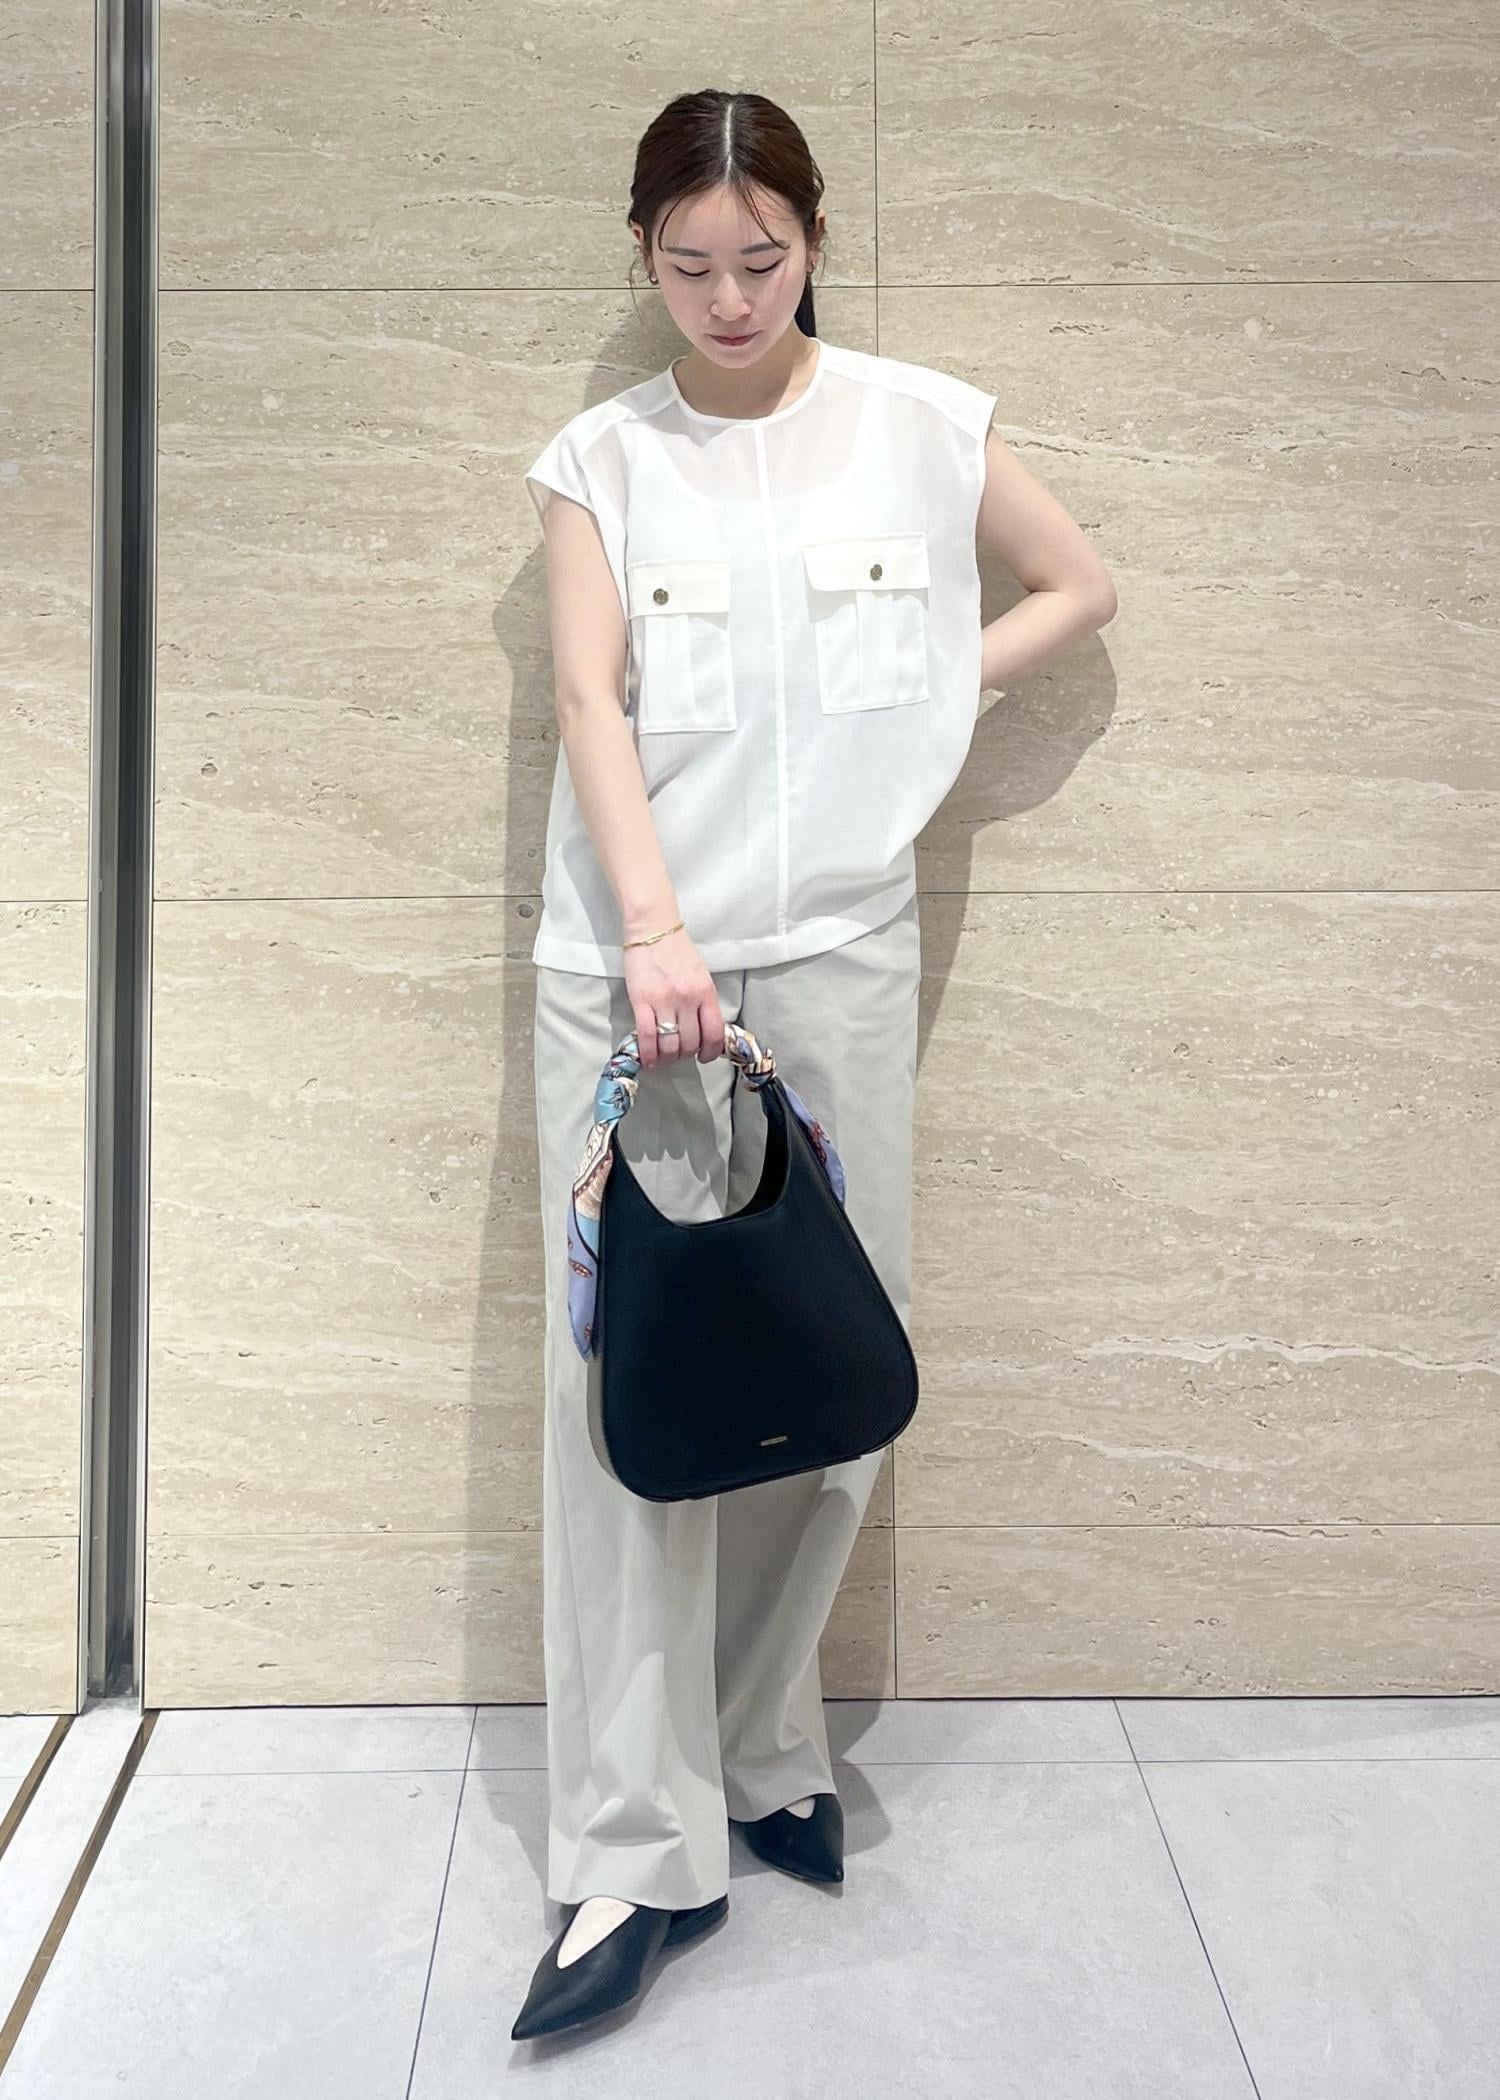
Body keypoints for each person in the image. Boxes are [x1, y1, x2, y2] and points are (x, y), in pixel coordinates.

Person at [511, 88, 1118, 2043]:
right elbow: (590, 692)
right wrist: (656, 936)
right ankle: (631, 1848)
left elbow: (1078, 587)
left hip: (842, 956)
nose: (725, 297)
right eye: (687, 264)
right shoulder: (604, 458)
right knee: (629, 1394)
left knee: (833, 1368)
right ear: (643, 256)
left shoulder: (924, 426)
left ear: (815, 244)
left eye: (759, 260)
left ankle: (764, 1745)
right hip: (634, 979)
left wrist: (933, 690)